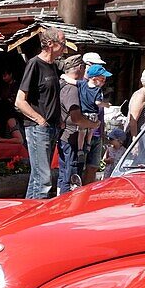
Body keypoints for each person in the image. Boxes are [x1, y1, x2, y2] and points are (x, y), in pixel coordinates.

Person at [16, 28, 66, 199]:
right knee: (44, 178)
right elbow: (20, 100)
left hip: (52, 127)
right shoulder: (34, 64)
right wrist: (39, 119)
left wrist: (58, 119)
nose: (65, 48)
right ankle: (38, 216)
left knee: (38, 176)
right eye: (63, 44)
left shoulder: (53, 66)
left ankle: (28, 214)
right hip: (38, 128)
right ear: (50, 44)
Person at [57, 55, 100, 195]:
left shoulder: (63, 84)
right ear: (80, 68)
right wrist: (93, 124)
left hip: (68, 137)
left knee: (66, 174)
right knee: (71, 177)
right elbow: (76, 118)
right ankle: (66, 207)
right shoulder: (71, 89)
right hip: (72, 137)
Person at [80, 63, 112, 184]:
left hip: (97, 132)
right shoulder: (83, 86)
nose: (104, 81)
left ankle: (87, 190)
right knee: (80, 164)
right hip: (86, 128)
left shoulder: (98, 90)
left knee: (93, 166)